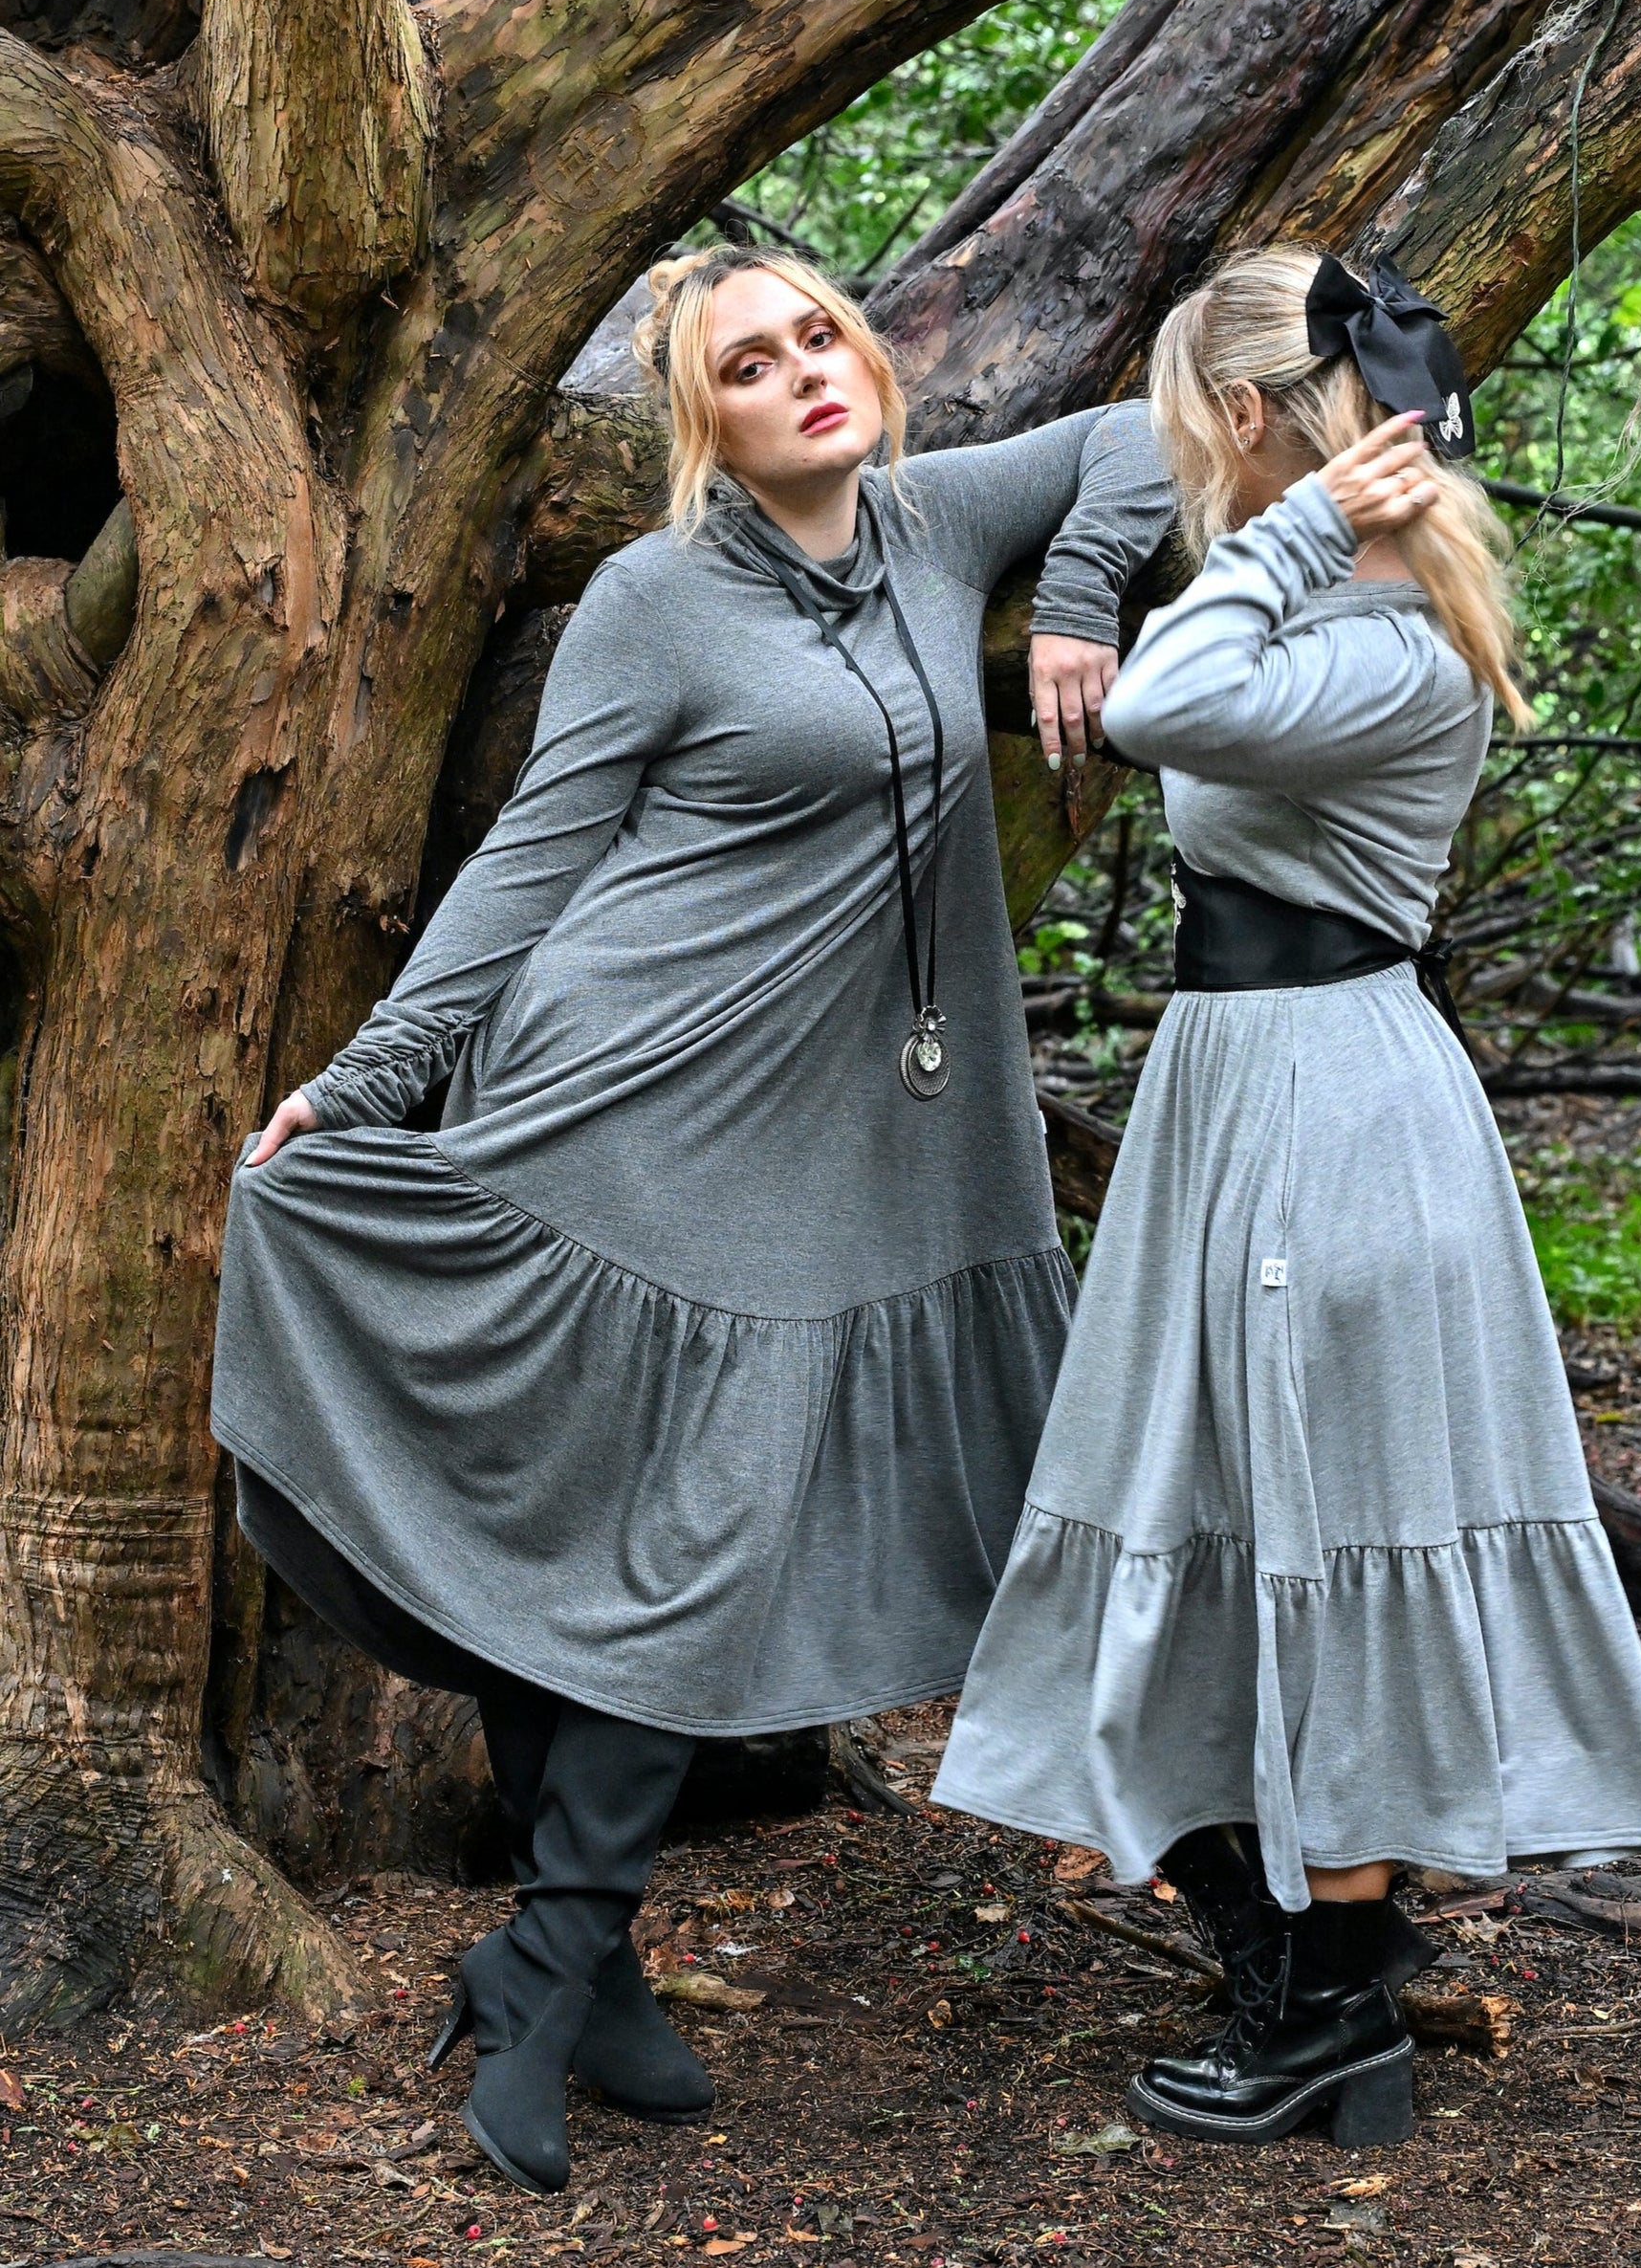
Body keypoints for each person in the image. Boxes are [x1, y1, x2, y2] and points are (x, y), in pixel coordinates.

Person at [212, 242, 1174, 2194]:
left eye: (821, 333)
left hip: (820, 1143)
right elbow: (531, 860)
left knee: (665, 1539)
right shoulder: (653, 600)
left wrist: (1077, 598)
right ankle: (560, 1963)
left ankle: (559, 1965)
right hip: (624, 1102)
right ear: (701, 424)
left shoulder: (933, 521)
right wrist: (371, 1081)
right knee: (643, 1536)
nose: (807, 372)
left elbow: (1150, 429)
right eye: (750, 364)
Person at [932, 246, 1641, 2149]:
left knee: (1330, 1524)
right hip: (1249, 1090)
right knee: (1228, 1506)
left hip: (1326, 1110)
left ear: (1253, 420)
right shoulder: (1331, 603)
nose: (1179, 469)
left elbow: (1160, 705)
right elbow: (1121, 530)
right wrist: (1101, 577)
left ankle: (1334, 2017)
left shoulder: (1375, 638)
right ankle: (1299, 1959)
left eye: (1196, 431)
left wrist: (1285, 532)